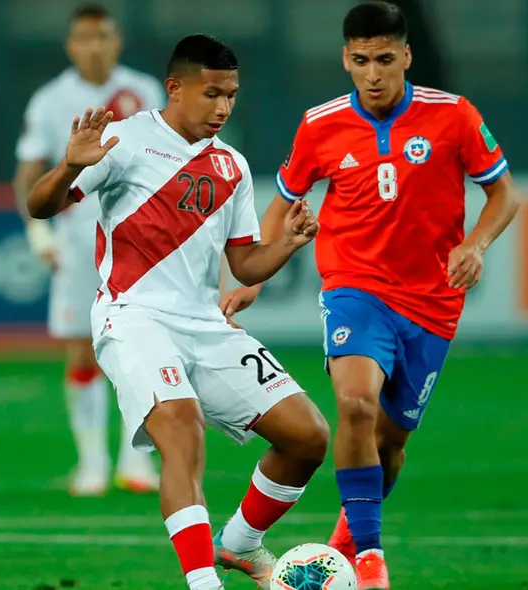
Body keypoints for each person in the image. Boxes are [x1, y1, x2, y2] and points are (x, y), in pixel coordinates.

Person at [218, 2, 522, 588]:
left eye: (385, 59)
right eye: (361, 61)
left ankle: (341, 548)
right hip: (354, 288)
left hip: (433, 302)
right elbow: (283, 202)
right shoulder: (320, 124)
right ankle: (370, 558)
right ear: (345, 60)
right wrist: (253, 277)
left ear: (406, 56)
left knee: (390, 444)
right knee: (355, 404)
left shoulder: (453, 116)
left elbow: (504, 194)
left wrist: (477, 244)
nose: (374, 74)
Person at [27, 34, 331, 590]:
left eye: (232, 95)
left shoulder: (231, 166)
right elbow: (40, 206)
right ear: (175, 87)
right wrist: (68, 167)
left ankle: (240, 546)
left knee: (308, 436)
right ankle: (203, 583)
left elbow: (243, 265)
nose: (222, 107)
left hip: (205, 325)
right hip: (133, 317)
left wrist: (286, 244)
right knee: (183, 433)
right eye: (212, 93)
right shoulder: (123, 140)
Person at [12, 3, 164, 496]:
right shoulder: (49, 100)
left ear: (116, 41)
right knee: (83, 346)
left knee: (145, 345)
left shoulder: (146, 90)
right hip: (78, 236)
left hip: (139, 233)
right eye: (84, 37)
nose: (94, 46)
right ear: (71, 44)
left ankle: (134, 462)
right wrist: (39, 232)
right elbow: (29, 171)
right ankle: (92, 462)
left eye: (103, 36)